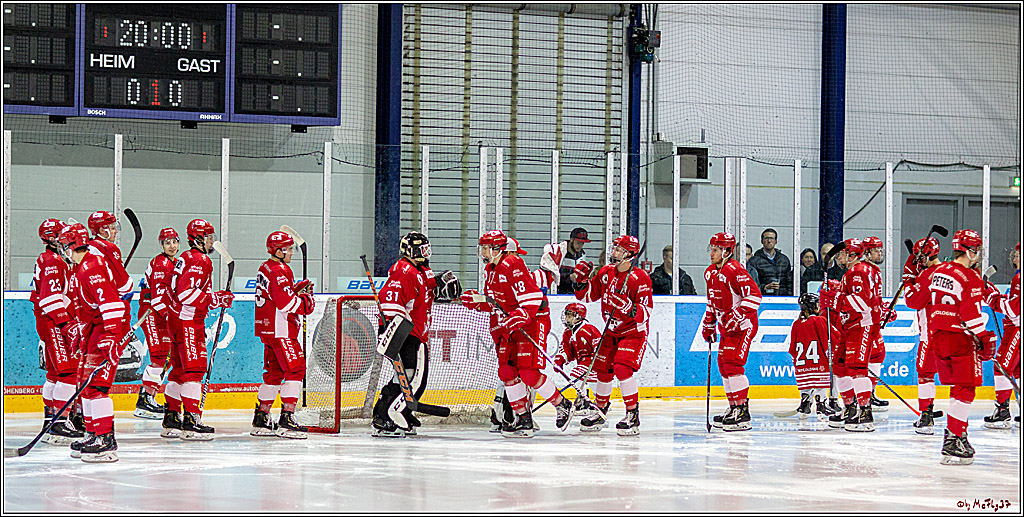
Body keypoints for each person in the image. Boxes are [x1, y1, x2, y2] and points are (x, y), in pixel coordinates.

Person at [462, 230, 574, 437]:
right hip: (511, 323)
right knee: (506, 372)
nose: (483, 252)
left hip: (533, 321)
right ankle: (523, 418)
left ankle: (562, 404)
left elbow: (532, 298)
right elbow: (496, 303)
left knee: (528, 372)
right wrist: (479, 302)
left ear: (498, 248)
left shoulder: (513, 263)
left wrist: (520, 314)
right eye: (482, 248)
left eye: (486, 248)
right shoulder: (491, 269)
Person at [904, 229, 996, 465]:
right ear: (972, 250)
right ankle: (954, 438)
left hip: (938, 337)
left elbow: (920, 300)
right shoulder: (969, 276)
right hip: (960, 338)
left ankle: (957, 434)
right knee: (965, 389)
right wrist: (985, 337)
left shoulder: (938, 272)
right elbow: (970, 314)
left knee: (956, 386)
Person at [572, 234, 652, 435]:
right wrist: (581, 282)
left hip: (633, 332)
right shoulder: (606, 272)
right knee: (603, 370)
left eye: (619, 250)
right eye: (614, 248)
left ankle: (632, 414)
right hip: (611, 331)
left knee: (622, 369)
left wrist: (628, 307)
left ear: (630, 254)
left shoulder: (639, 277)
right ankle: (600, 410)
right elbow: (589, 296)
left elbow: (646, 312)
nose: (614, 252)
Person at [59, 223, 126, 462]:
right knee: (87, 386)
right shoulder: (80, 269)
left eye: (65, 246)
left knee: (97, 386)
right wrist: (80, 331)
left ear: (72, 245)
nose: (63, 251)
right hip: (93, 332)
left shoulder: (91, 268)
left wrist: (110, 335)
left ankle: (106, 439)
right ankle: (92, 433)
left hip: (103, 332)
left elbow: (112, 304)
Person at [162, 219, 234, 441]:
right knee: (193, 371)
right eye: (209, 236)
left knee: (177, 371)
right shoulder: (199, 259)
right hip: (188, 322)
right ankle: (191, 421)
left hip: (175, 321)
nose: (212, 241)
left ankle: (172, 417)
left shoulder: (185, 257)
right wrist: (215, 298)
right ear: (199, 238)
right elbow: (186, 294)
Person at [253, 231, 317, 438]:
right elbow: (286, 303)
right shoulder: (280, 270)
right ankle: (287, 419)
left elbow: (277, 294)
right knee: (296, 370)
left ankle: (261, 418)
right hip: (282, 330)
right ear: (278, 251)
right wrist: (307, 301)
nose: (291, 252)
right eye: (288, 249)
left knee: (274, 374)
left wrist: (296, 288)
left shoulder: (266, 267)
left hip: (268, 330)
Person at [702, 232, 762, 431]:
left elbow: (754, 297)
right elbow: (712, 301)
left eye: (716, 249)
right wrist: (709, 323)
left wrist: (736, 316)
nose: (712, 253)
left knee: (733, 364)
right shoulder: (710, 273)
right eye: (711, 248)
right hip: (727, 328)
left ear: (727, 251)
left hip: (743, 327)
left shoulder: (735, 270)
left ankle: (743, 412)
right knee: (724, 366)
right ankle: (733, 406)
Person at [31, 218, 84, 445]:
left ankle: (51, 419)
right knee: (68, 373)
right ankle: (59, 423)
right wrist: (66, 324)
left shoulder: (59, 259)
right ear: (51, 238)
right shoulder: (52, 261)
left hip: (53, 321)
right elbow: (51, 299)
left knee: (54, 374)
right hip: (53, 321)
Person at [821, 238, 880, 432]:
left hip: (861, 326)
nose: (840, 256)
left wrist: (836, 298)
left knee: (857, 368)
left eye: (844, 253)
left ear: (853, 254)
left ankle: (865, 412)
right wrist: (837, 291)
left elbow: (862, 304)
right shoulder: (853, 272)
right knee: (839, 365)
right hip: (850, 326)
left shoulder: (858, 272)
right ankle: (850, 408)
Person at [133, 228, 179, 419]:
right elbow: (159, 298)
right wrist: (172, 317)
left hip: (161, 313)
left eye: (174, 241)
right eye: (167, 242)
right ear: (161, 245)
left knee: (165, 357)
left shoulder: (174, 262)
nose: (172, 246)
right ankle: (145, 400)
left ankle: (148, 397)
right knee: (159, 356)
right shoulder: (161, 263)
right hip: (152, 312)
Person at [903, 237, 943, 434]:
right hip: (950, 333)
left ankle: (926, 415)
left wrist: (909, 279)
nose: (918, 261)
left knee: (925, 374)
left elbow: (913, 301)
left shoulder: (929, 274)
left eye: (920, 257)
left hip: (931, 335)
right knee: (961, 382)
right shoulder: (946, 271)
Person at [982, 242, 1020, 429]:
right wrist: (998, 295)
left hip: (1017, 330)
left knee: (1001, 366)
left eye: (1017, 255)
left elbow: (1014, 310)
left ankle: (1002, 411)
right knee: (1018, 371)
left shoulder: (1019, 278)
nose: (1013, 259)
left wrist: (992, 299)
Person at [787, 293, 837, 417]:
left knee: (807, 382)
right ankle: (821, 404)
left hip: (802, 364)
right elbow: (828, 340)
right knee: (820, 382)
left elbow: (793, 348)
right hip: (818, 361)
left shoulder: (796, 323)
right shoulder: (820, 320)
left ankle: (805, 403)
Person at [862, 236, 891, 412]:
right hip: (864, 322)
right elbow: (864, 299)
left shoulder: (875, 271)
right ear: (866, 252)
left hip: (873, 321)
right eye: (875, 250)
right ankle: (862, 396)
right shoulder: (864, 270)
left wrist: (884, 309)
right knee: (862, 360)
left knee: (877, 355)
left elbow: (875, 298)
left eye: (880, 249)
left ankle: (870, 393)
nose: (879, 253)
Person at [555, 303, 601, 412]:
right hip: (583, 364)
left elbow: (599, 346)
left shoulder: (589, 329)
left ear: (578, 316)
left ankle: (588, 401)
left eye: (569, 316)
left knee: (576, 374)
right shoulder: (567, 333)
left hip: (594, 363)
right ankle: (596, 400)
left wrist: (598, 359)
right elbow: (567, 350)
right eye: (566, 315)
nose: (566, 318)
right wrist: (560, 360)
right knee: (581, 376)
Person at [746, 228, 793, 296]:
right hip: (763, 298)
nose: (769, 241)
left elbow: (789, 282)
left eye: (772, 238)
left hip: (783, 298)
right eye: (766, 238)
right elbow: (751, 283)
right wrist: (764, 288)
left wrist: (790, 298)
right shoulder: (754, 261)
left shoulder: (784, 260)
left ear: (776, 241)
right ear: (762, 241)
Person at [556, 227, 591, 294]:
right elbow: (552, 275)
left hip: (574, 294)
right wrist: (569, 277)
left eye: (582, 243)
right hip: (558, 293)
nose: (580, 246)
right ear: (571, 240)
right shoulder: (559, 252)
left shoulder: (582, 255)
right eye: (578, 243)